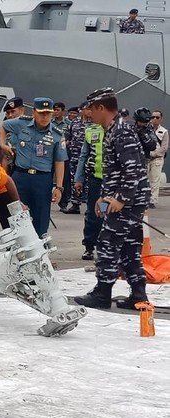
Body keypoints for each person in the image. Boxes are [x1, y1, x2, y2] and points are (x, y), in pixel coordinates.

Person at [74, 87, 151, 310]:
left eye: (90, 109)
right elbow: (115, 171)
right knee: (129, 247)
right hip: (125, 198)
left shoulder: (121, 132)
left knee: (107, 242)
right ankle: (138, 294)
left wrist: (121, 200)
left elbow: (133, 170)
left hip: (128, 202)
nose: (87, 113)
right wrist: (104, 197)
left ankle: (102, 293)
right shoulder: (112, 130)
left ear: (101, 108)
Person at [0, 97, 67, 237]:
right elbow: (2, 126)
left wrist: (59, 187)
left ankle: (39, 245)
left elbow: (60, 162)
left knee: (41, 215)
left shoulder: (57, 134)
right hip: (21, 176)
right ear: (33, 112)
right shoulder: (21, 124)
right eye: (41, 113)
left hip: (42, 179)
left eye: (48, 113)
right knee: (17, 213)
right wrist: (3, 144)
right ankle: (16, 244)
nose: (45, 117)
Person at [74, 102, 104, 260]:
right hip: (95, 182)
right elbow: (83, 156)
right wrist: (79, 178)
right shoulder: (90, 131)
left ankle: (105, 246)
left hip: (111, 183)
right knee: (93, 214)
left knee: (106, 213)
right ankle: (89, 246)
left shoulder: (116, 131)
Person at [60, 103, 87, 214]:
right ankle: (75, 204)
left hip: (91, 159)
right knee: (74, 182)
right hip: (75, 157)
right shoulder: (74, 123)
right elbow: (68, 136)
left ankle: (94, 208)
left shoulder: (96, 124)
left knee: (92, 185)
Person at [0, 96, 26, 172]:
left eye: (13, 111)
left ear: (22, 110)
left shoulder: (31, 127)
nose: (10, 115)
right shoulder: (5, 131)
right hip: (11, 168)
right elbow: (5, 157)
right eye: (8, 113)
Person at [149, 110, 168, 208]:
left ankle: (153, 200)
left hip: (157, 158)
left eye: (157, 117)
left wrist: (155, 153)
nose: (155, 119)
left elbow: (164, 147)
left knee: (155, 179)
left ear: (161, 119)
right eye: (153, 117)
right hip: (147, 158)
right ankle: (145, 199)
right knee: (146, 179)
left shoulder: (164, 131)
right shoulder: (147, 130)